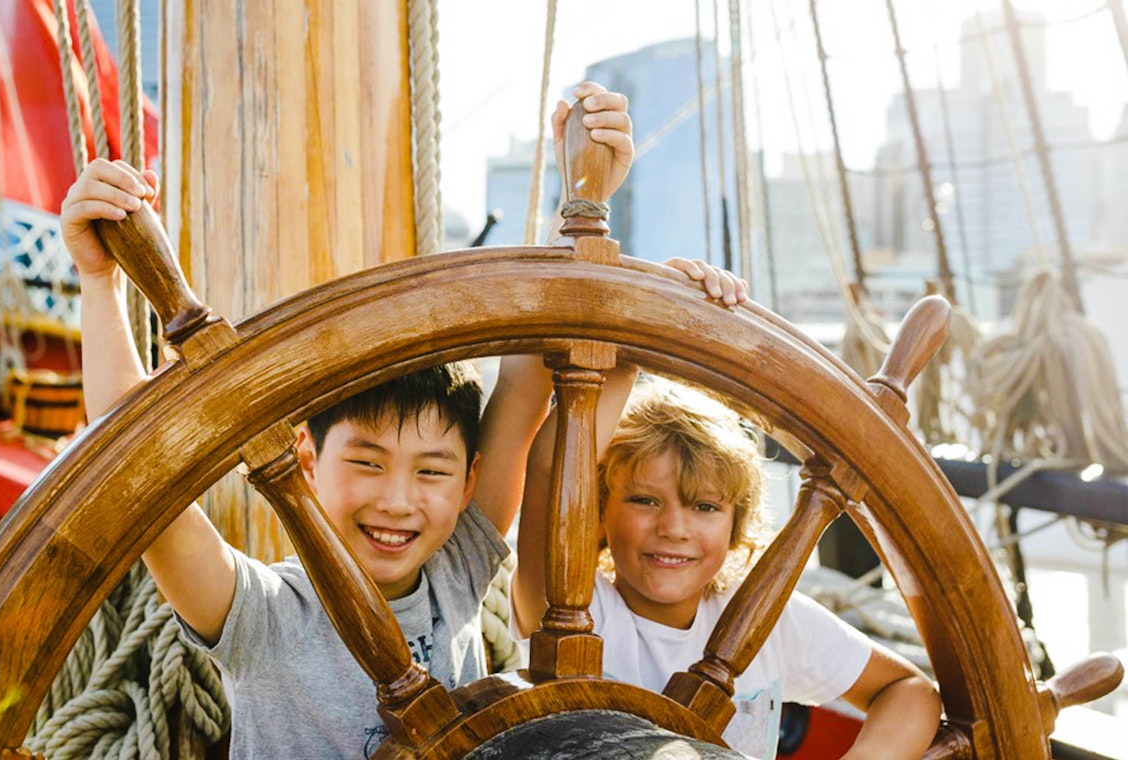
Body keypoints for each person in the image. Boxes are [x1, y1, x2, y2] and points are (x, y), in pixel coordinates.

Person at [59, 82, 633, 758]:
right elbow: (138, 466)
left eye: (431, 471)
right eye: (366, 461)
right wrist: (100, 285)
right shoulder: (259, 616)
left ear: (471, 478)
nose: (396, 499)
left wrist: (587, 205)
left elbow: (525, 377)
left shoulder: (461, 565)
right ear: (305, 458)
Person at [511, 369, 943, 760]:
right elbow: (552, 468)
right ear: (597, 514)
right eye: (645, 500)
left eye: (704, 506)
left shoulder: (766, 621)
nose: (674, 528)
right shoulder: (572, 608)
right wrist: (628, 348)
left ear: (736, 527)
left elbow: (908, 691)